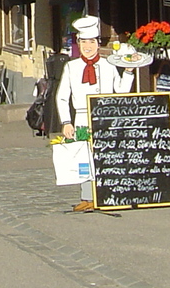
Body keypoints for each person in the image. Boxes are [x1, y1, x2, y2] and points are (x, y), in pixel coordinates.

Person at [54, 16, 140, 212]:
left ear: (98, 44)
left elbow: (121, 92)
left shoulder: (108, 65)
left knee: (107, 155)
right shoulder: (71, 67)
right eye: (84, 42)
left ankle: (109, 194)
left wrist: (128, 71)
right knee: (84, 157)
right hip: (83, 118)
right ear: (78, 44)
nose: (88, 46)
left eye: (91, 42)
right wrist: (67, 122)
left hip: (106, 117)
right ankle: (87, 197)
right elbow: (62, 97)